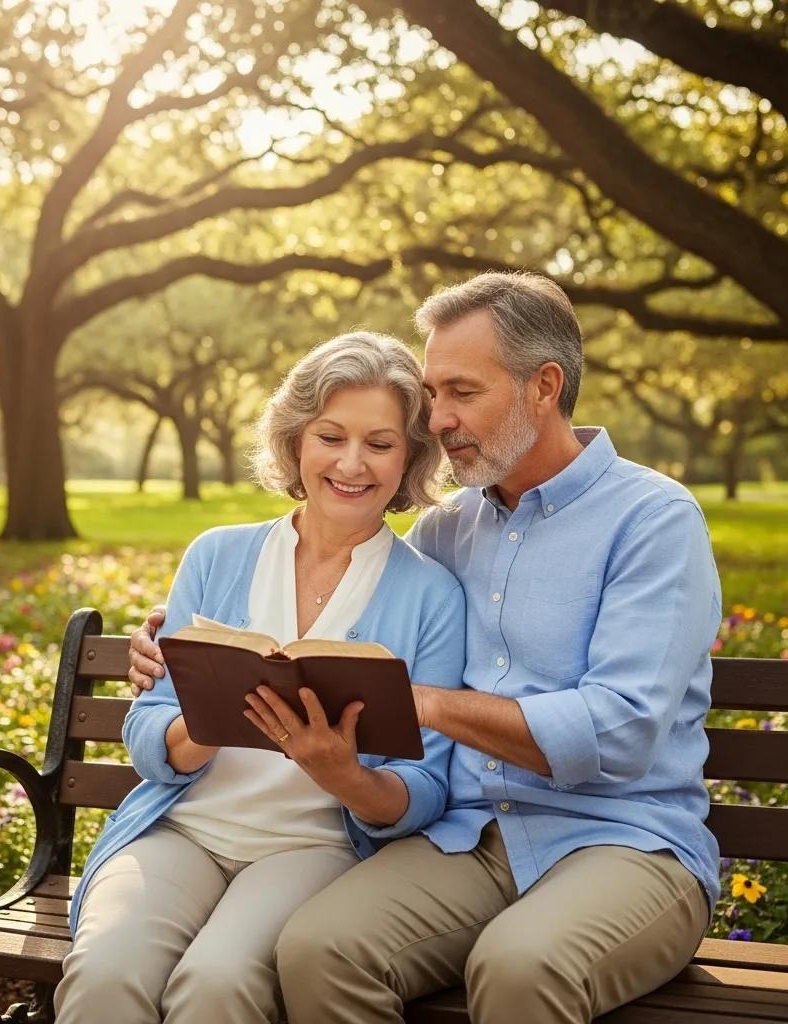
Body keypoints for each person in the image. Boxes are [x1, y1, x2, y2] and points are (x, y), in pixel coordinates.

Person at [130, 272, 722, 1024]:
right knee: (320, 947)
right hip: (471, 837)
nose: (436, 420)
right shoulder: (447, 531)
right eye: (432, 393)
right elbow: (355, 584)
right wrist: (169, 636)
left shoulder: (653, 520)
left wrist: (433, 705)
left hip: (626, 843)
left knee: (519, 966)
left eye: (461, 392)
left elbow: (623, 729)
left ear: (544, 385)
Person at [55, 331, 466, 1024]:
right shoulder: (217, 557)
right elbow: (148, 727)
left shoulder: (432, 596)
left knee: (217, 985)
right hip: (179, 832)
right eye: (330, 436)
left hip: (312, 849)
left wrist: (347, 776)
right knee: (105, 973)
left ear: (411, 458)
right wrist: (203, 723)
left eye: (380, 443)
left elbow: (426, 788)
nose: (351, 464)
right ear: (296, 441)